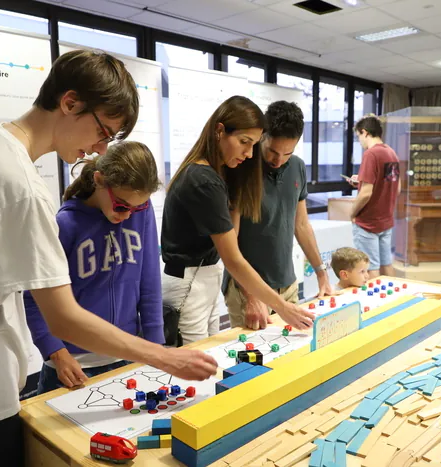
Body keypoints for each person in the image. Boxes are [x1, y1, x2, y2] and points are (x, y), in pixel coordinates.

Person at [0, 50, 217, 467]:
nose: (99, 147)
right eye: (104, 131)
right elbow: (63, 317)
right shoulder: (19, 182)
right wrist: (165, 355)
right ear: (70, 102)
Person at [161, 95, 315, 345]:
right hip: (189, 284)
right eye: (245, 142)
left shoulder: (213, 174)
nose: (248, 153)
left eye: (253, 144)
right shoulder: (203, 180)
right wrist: (282, 307)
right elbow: (233, 258)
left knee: (211, 357)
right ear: (220, 131)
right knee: (195, 363)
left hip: (204, 277)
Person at [24, 141, 164, 394]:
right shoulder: (65, 224)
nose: (128, 216)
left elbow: (149, 280)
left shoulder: (140, 211)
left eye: (137, 207)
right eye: (121, 205)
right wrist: (56, 353)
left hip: (126, 357)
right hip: (73, 367)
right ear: (99, 180)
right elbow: (34, 298)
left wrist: (155, 345)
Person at [223, 101, 332, 330]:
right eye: (273, 151)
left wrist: (321, 272)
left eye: (287, 153)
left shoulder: (298, 167)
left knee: (296, 353)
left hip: (288, 285)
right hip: (248, 290)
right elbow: (230, 242)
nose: (278, 160)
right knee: (254, 360)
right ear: (262, 136)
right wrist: (251, 294)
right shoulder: (242, 167)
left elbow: (301, 225)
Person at [348, 114, 400, 279]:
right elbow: (395, 188)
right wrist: (361, 182)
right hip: (385, 220)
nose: (360, 141)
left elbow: (366, 193)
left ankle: (376, 304)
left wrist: (352, 213)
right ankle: (393, 299)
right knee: (386, 265)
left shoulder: (371, 154)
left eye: (359, 137)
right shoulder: (391, 153)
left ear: (365, 132)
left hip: (368, 223)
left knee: (370, 269)